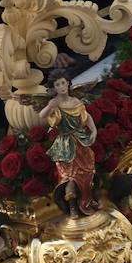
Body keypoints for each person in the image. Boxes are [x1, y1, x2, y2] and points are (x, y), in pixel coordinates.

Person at [38, 68, 98, 216]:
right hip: (65, 145)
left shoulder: (76, 101)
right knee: (69, 177)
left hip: (80, 141)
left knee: (87, 173)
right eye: (57, 85)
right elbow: (41, 115)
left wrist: (94, 130)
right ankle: (72, 206)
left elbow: (87, 116)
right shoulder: (54, 103)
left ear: (68, 83)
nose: (61, 87)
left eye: (63, 83)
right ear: (54, 88)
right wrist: (50, 106)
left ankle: (87, 199)